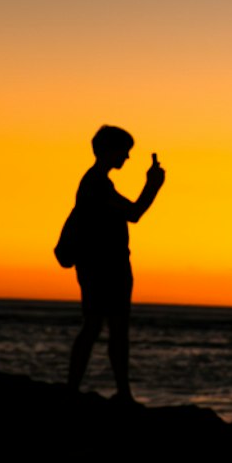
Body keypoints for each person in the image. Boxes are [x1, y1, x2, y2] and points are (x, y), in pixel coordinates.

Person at [56, 124, 166, 402]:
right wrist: (152, 186)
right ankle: (121, 393)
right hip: (106, 267)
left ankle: (81, 389)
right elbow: (134, 212)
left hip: (97, 265)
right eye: (124, 151)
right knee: (112, 329)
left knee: (96, 326)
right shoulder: (96, 184)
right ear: (109, 150)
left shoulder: (94, 182)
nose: (127, 158)